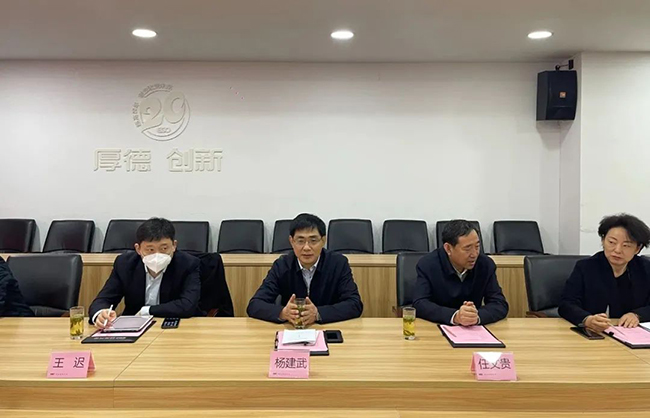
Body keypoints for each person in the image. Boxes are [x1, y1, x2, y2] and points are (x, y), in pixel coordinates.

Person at [247, 213, 363, 325]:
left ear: (323, 241)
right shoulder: (282, 265)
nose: (306, 247)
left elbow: (354, 304)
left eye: (313, 241)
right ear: (291, 241)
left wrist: (318, 313)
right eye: (300, 241)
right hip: (292, 330)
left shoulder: (338, 264)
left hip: (328, 328)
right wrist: (283, 313)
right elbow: (255, 305)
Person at [89, 217, 200, 328]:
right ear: (138, 249)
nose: (157, 255)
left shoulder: (188, 264)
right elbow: (104, 299)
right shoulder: (125, 264)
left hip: (173, 326)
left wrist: (147, 311)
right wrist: (100, 314)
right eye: (150, 250)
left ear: (174, 246)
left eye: (164, 248)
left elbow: (187, 305)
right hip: (133, 326)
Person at [559, 213, 650, 332]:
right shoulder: (586, 267)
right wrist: (587, 319)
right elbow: (566, 304)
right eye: (612, 242)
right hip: (593, 333)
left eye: (626, 245)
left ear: (637, 249)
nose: (617, 250)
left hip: (630, 333)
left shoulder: (645, 269)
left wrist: (637, 315)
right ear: (603, 241)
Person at [413, 219, 509, 325]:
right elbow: (420, 303)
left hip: (473, 330)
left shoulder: (485, 265)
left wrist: (476, 316)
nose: (474, 254)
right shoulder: (428, 265)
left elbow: (499, 304)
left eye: (477, 247)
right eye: (467, 248)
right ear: (448, 248)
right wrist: (455, 316)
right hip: (436, 327)